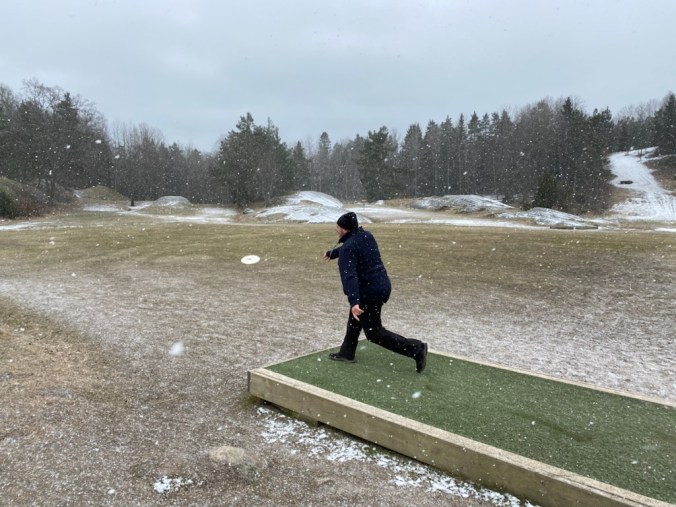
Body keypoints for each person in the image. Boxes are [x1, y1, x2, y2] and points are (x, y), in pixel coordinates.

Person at [323, 211, 428, 373]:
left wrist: (354, 302)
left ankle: (416, 348)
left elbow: (349, 277)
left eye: (337, 227)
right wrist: (333, 253)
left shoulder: (349, 248)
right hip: (381, 285)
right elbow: (353, 247)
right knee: (355, 319)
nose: (336, 229)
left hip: (369, 291)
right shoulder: (366, 236)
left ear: (344, 229)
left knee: (374, 333)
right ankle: (347, 352)